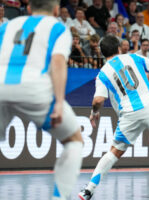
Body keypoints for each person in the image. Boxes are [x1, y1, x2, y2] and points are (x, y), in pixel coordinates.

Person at [78, 35, 149, 200]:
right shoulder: (134, 57)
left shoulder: (103, 73)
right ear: (119, 48)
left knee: (114, 152)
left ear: (102, 53)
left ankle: (88, 190)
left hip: (129, 114)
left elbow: (98, 100)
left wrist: (94, 113)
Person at [0, 1, 83, 199]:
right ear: (56, 10)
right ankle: (59, 197)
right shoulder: (58, 28)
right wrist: (60, 102)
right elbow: (57, 62)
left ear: (28, 8)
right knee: (74, 141)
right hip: (34, 89)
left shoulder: (7, 25)